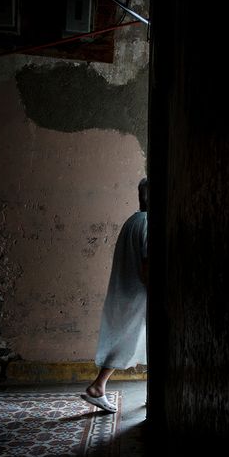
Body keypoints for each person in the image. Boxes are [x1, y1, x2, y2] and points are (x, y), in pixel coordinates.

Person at [81, 177, 148, 413]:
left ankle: (99, 386)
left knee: (129, 341)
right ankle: (98, 386)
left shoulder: (132, 221)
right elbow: (147, 267)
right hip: (140, 295)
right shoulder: (148, 223)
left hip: (127, 292)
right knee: (131, 342)